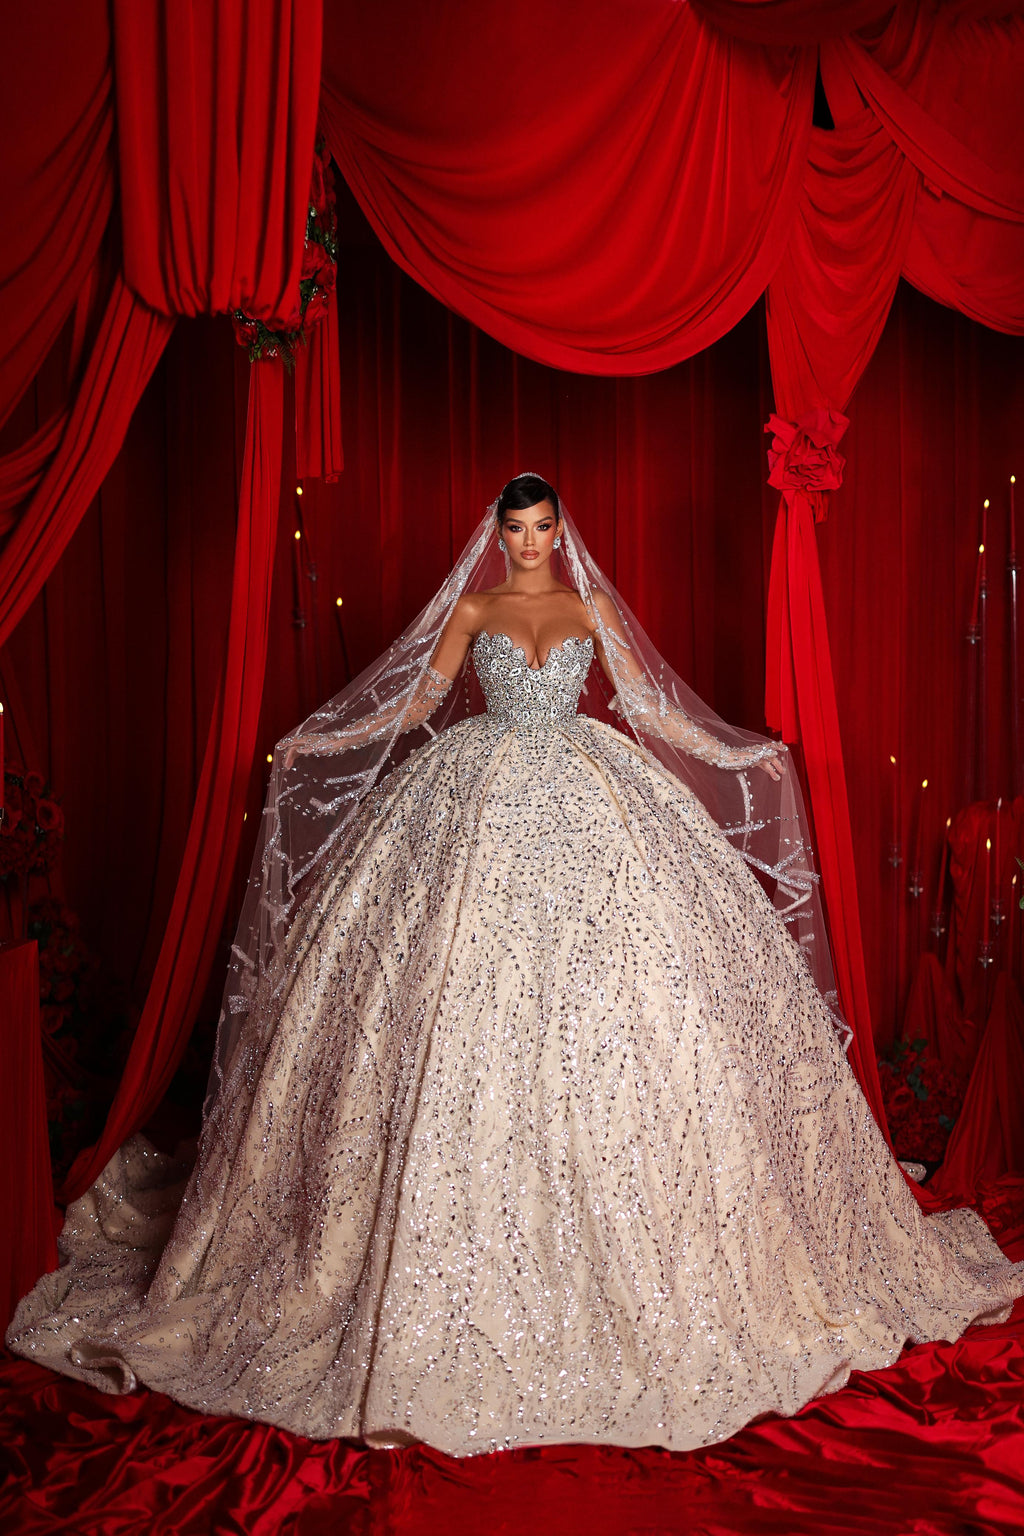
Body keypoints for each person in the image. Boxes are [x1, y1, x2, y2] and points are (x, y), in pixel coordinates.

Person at [9, 473, 1023, 1457]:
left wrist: (741, 753)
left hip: (590, 795)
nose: (530, 542)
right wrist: (326, 739)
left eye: (542, 527)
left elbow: (656, 713)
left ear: (558, 531)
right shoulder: (477, 607)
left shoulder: (587, 612)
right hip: (472, 794)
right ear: (498, 534)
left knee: (629, 1013)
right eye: (517, 528)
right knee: (445, 1005)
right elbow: (417, 710)